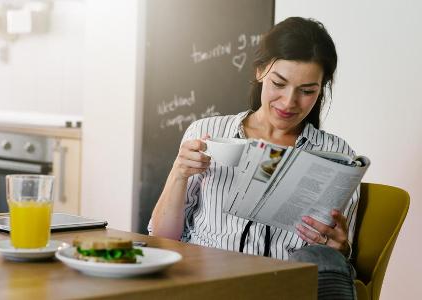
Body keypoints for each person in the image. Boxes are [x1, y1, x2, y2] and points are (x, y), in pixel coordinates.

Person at [149, 16, 358, 299]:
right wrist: (179, 173)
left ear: (322, 89)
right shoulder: (207, 132)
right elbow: (163, 238)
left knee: (326, 263)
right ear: (260, 71)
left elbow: (338, 258)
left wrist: (339, 248)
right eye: (279, 83)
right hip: (208, 281)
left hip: (286, 287)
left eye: (307, 91)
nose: (288, 102)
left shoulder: (339, 156)